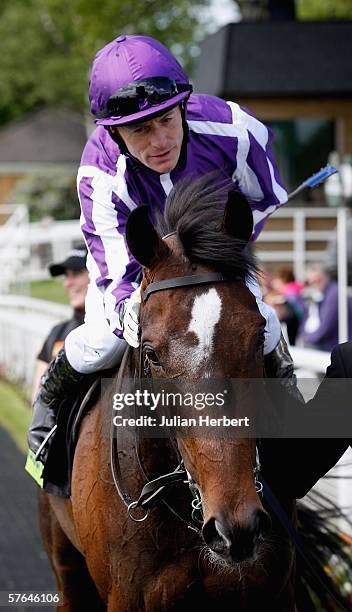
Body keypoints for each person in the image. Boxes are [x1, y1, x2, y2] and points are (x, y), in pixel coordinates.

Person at [27, 34, 295, 476]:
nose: (159, 140)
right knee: (104, 342)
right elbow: (116, 271)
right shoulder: (99, 171)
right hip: (136, 274)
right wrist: (132, 306)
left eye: (167, 120)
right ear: (113, 132)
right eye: (140, 130)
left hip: (216, 260)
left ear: (182, 106)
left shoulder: (237, 130)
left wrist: (218, 251)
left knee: (262, 328)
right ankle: (48, 430)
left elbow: (263, 199)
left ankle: (293, 435)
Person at [31, 246, 89, 402]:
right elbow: (37, 399)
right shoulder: (56, 332)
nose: (67, 284)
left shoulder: (116, 332)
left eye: (76, 274)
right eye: (66, 276)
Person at [298, 264, 352, 351]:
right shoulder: (322, 293)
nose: (314, 284)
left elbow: (325, 327)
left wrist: (306, 338)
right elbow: (306, 318)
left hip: (334, 348)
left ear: (326, 277)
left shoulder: (334, 294)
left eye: (318, 280)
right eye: (311, 282)